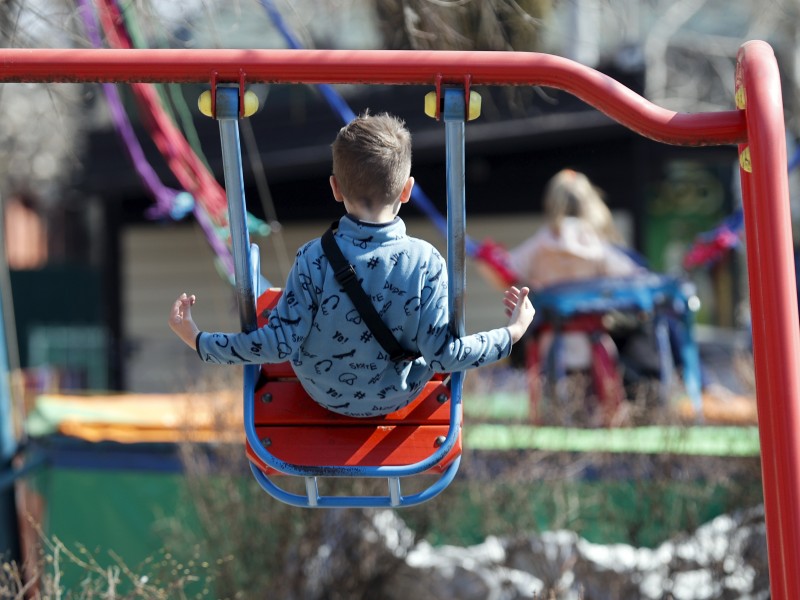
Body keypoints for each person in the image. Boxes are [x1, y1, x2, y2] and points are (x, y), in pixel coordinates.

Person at [169, 112, 535, 418]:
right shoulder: (427, 263)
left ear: (334, 187)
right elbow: (446, 355)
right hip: (398, 395)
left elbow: (278, 345)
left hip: (322, 393)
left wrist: (199, 339)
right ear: (406, 190)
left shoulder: (312, 258)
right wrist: (513, 333)